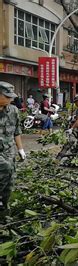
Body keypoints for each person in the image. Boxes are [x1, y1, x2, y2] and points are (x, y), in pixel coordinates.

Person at [0, 82, 26, 219]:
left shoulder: (13, 111)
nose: (10, 99)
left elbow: (16, 132)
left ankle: (4, 210)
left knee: (10, 180)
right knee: (5, 168)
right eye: (7, 96)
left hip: (9, 150)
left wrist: (20, 149)